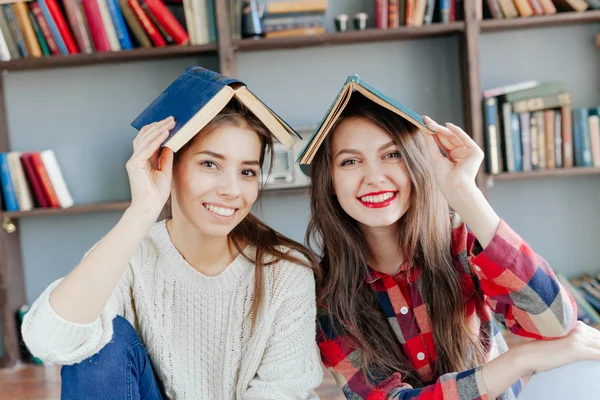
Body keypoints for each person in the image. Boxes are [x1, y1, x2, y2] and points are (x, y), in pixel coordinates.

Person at [22, 100, 323, 399]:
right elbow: (50, 343)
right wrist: (141, 210)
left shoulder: (285, 271)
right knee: (98, 344)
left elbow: (281, 391)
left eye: (247, 172)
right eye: (209, 164)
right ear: (167, 164)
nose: (232, 190)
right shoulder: (130, 253)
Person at [306, 97, 600, 399]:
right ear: (329, 181)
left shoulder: (459, 239)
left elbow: (555, 324)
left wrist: (465, 193)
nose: (375, 177)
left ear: (415, 165)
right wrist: (520, 360)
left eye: (392, 154)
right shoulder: (326, 296)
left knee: (588, 370)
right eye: (350, 162)